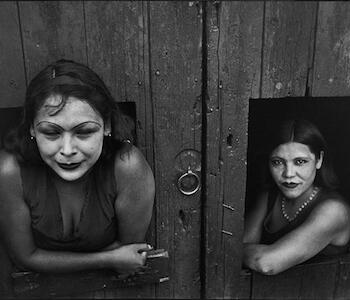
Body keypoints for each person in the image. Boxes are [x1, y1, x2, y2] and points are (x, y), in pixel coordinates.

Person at [0, 59, 155, 275]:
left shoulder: (127, 167)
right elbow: (24, 257)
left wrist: (51, 259)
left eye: (84, 132)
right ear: (32, 129)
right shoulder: (10, 171)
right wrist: (108, 259)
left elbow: (129, 251)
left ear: (107, 126)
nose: (67, 149)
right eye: (51, 133)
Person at [243, 119, 350, 275]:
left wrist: (248, 252)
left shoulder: (334, 211)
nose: (288, 174)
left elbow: (266, 263)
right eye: (277, 162)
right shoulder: (269, 197)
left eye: (300, 161)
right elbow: (236, 248)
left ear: (319, 160)